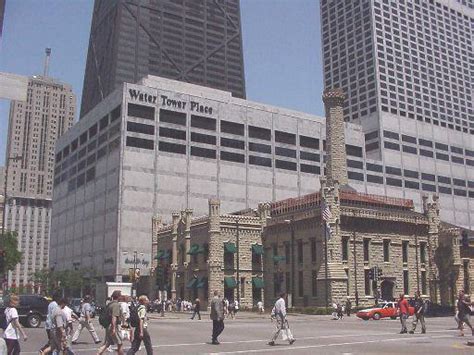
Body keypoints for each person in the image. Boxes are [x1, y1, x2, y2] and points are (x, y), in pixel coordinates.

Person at [97, 290, 124, 355]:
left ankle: (98, 353)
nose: (121, 297)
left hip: (108, 325)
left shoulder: (110, 304)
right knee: (120, 344)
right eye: (120, 296)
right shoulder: (116, 305)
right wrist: (114, 328)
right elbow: (114, 317)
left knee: (107, 343)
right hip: (113, 326)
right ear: (118, 296)